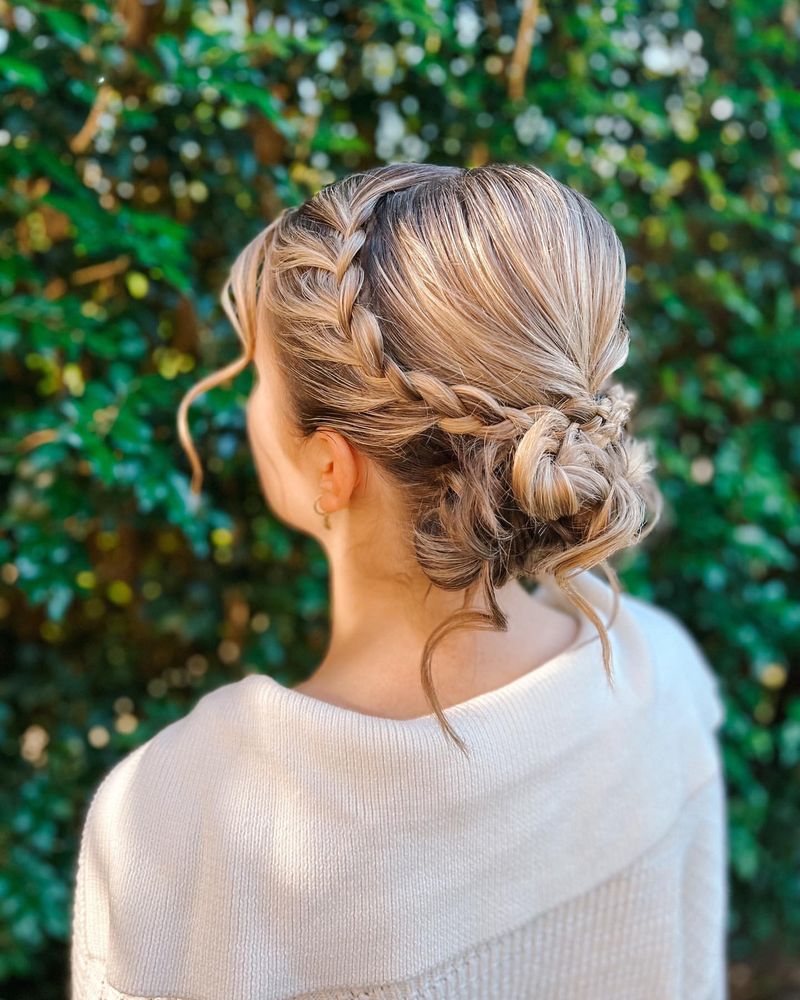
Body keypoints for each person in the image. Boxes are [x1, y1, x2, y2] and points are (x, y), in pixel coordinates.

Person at [70, 162, 728, 999]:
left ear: (331, 467)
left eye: (258, 377)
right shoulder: (659, 678)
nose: (241, 403)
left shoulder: (172, 820)